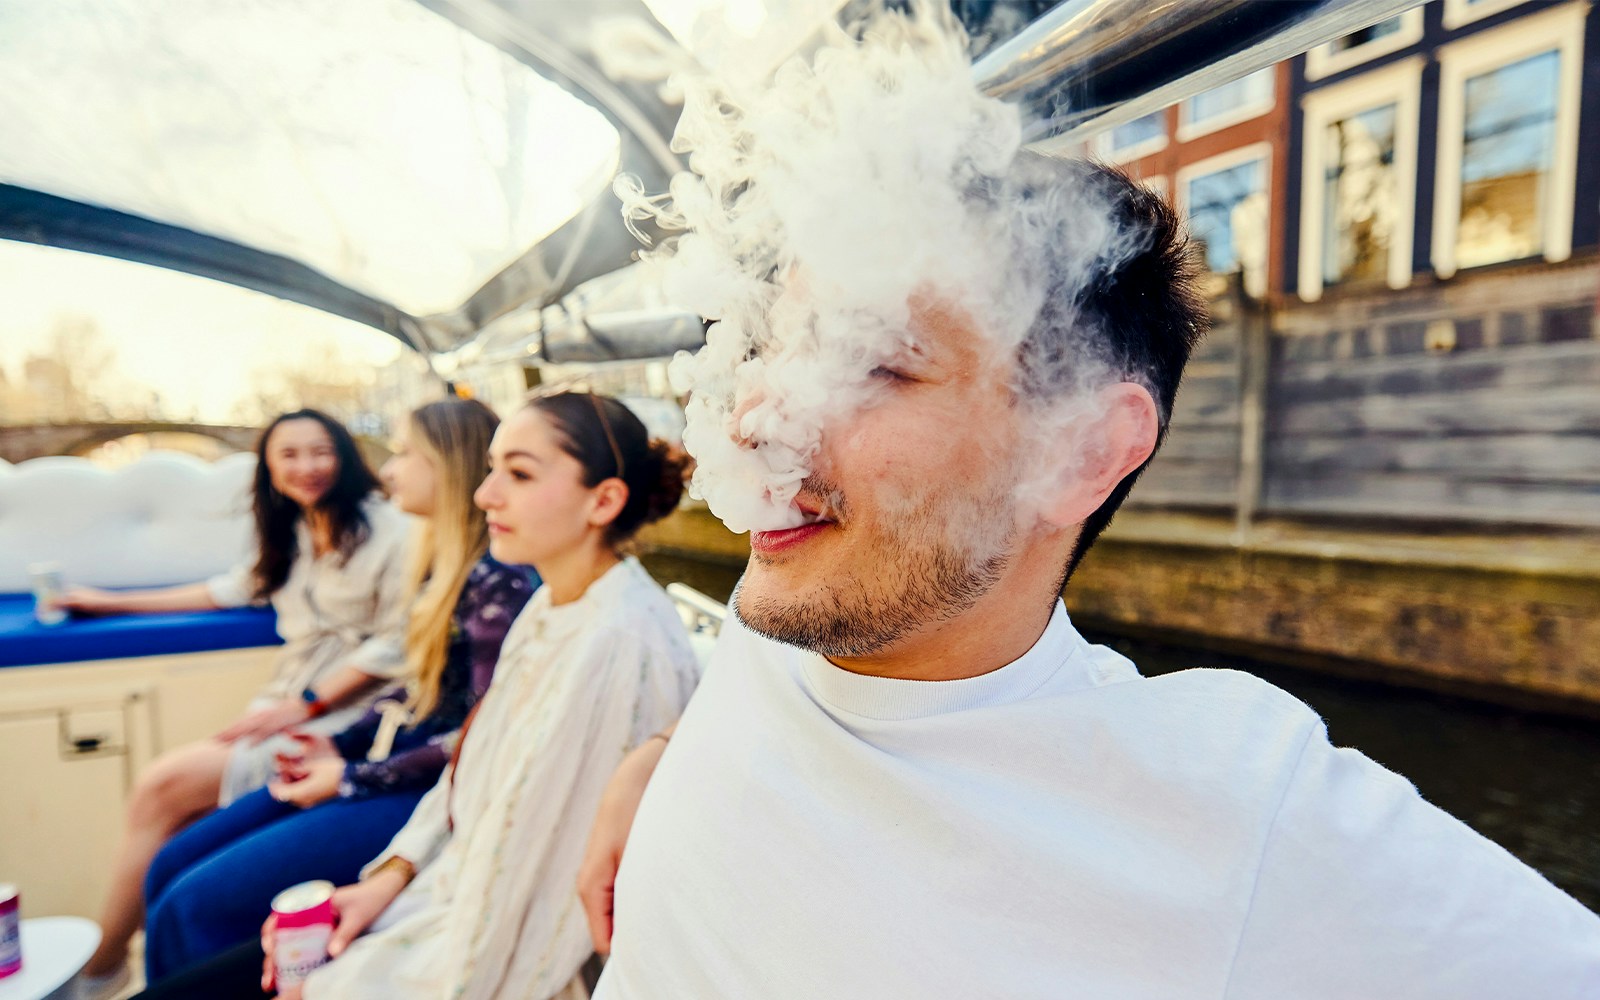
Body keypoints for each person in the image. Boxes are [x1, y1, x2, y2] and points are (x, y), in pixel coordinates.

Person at [575, 19, 1600, 1000]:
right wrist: (659, 757)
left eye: (878, 361)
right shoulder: (803, 607)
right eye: (781, 346)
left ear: (1081, 453)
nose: (758, 417)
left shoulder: (1231, 807)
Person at [137, 398, 537, 980]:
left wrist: (349, 776)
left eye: (404, 454)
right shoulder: (437, 562)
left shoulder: (498, 581)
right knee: (168, 865)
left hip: (425, 794)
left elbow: (478, 736)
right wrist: (340, 745)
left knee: (192, 904)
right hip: (391, 766)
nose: (391, 470)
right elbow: (421, 697)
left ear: (447, 468)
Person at [67, 409, 412, 995]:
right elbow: (229, 587)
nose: (308, 467)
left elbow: (398, 643)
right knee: (183, 837)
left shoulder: (391, 527)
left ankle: (101, 968)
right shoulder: (295, 531)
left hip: (345, 718)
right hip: (285, 703)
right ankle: (154, 970)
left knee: (161, 785)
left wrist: (305, 705)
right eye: (290, 455)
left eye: (321, 452)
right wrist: (108, 602)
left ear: (347, 458)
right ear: (269, 469)